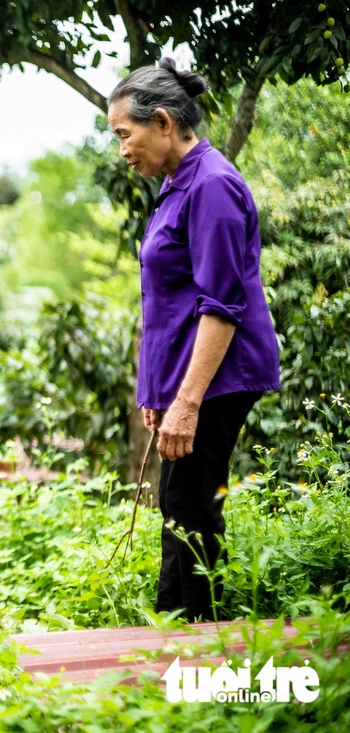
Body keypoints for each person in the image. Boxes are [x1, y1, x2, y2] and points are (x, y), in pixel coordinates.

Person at [107, 59, 281, 621]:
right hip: (187, 377)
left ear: (161, 122)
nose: (121, 149)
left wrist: (186, 402)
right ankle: (170, 631)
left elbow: (223, 307)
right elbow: (168, 303)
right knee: (178, 502)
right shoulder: (175, 184)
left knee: (190, 502)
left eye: (123, 134)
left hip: (218, 376)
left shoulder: (213, 185)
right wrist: (158, 395)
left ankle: (204, 644)